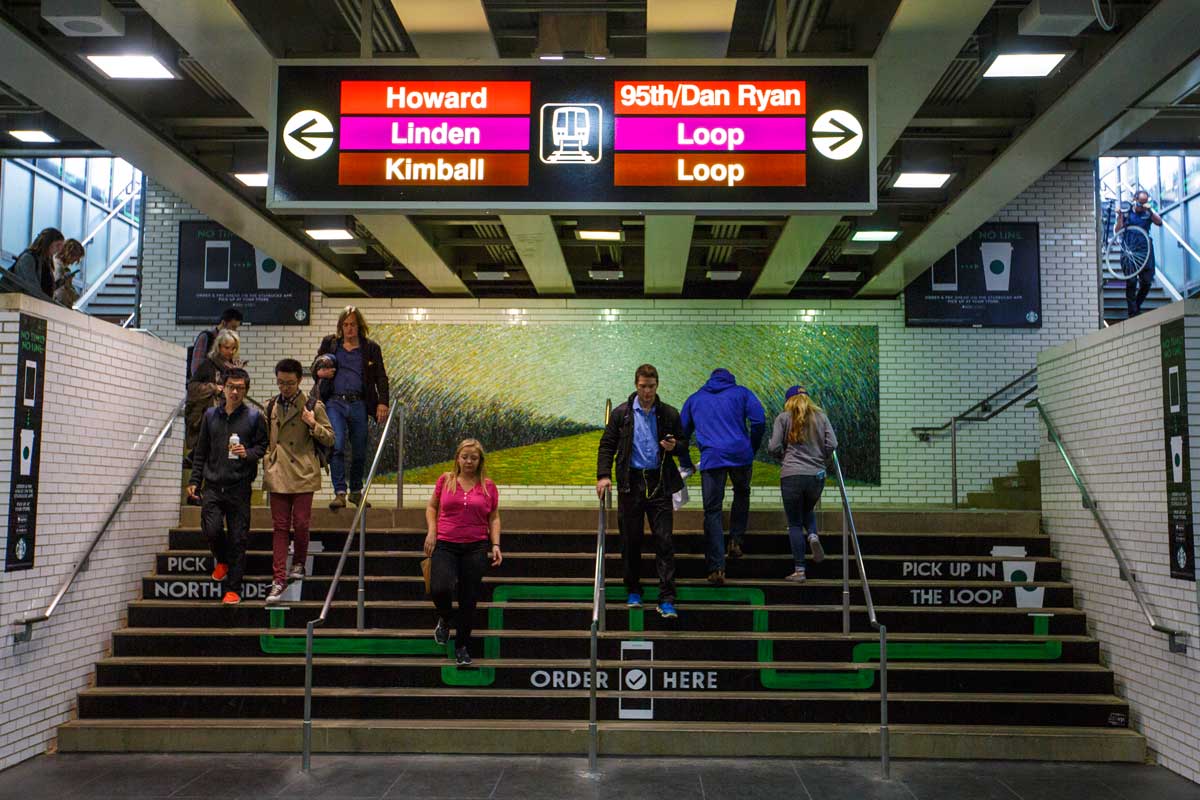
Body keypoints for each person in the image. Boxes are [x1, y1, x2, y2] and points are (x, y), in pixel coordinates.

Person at [596, 364, 687, 618]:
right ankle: (633, 589)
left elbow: (684, 444)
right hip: (630, 483)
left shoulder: (669, 413)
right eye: (643, 386)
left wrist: (674, 447)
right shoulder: (621, 414)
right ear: (636, 385)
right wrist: (603, 476)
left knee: (664, 541)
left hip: (659, 482)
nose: (647, 392)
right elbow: (607, 445)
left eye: (651, 386)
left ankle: (666, 598)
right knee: (630, 540)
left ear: (657, 385)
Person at [186, 367, 268, 605]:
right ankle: (221, 559)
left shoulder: (254, 417)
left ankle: (233, 589)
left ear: (246, 390)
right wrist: (195, 480)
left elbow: (262, 447)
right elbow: (201, 451)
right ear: (222, 388)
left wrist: (247, 453)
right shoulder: (211, 416)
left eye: (240, 388)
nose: (235, 392)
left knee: (238, 538)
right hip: (213, 484)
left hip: (239, 486)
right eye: (231, 387)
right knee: (211, 530)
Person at [681, 368, 765, 585]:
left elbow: (681, 434)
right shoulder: (742, 393)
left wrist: (686, 462)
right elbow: (759, 421)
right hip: (740, 455)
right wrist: (751, 448)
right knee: (742, 493)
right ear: (731, 380)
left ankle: (716, 568)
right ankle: (736, 540)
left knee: (712, 511)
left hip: (712, 458)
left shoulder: (695, 399)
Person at [262, 358, 334, 604]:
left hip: (303, 470)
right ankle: (278, 579)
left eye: (290, 383)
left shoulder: (313, 405)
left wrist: (313, 424)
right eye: (281, 383)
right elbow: (266, 438)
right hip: (278, 471)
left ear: (299, 381)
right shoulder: (270, 405)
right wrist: (268, 459)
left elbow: (330, 438)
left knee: (301, 523)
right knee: (280, 527)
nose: (285, 388)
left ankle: (300, 563)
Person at [424, 439, 502, 666]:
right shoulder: (445, 480)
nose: (469, 461)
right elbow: (432, 507)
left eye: (473, 458)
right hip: (445, 544)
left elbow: (494, 517)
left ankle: (462, 646)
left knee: (469, 599)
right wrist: (432, 531)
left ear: (480, 461)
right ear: (457, 458)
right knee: (440, 588)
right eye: (465, 457)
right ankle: (446, 619)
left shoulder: (488, 486)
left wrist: (495, 544)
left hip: (476, 546)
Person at [315, 306, 390, 509]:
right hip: (334, 401)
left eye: (353, 325)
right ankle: (340, 492)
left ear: (360, 326)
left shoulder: (370, 348)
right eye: (345, 325)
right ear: (341, 327)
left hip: (359, 402)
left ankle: (355, 490)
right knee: (337, 445)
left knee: (359, 449)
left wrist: (383, 402)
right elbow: (316, 367)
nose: (349, 329)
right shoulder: (331, 344)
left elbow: (381, 377)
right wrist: (320, 374)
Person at [768, 386, 838, 582]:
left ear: (788, 400)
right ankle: (813, 535)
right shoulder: (821, 417)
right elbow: (832, 444)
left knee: (794, 523)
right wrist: (820, 458)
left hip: (792, 474)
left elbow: (774, 447)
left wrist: (781, 455)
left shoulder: (783, 418)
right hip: (816, 475)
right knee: (807, 508)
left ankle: (800, 570)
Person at [185, 329, 243, 464]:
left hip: (229, 414)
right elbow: (192, 387)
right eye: (227, 348)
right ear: (219, 347)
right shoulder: (208, 365)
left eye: (234, 348)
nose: (231, 352)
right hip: (210, 415)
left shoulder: (235, 367)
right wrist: (213, 388)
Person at [1115, 190, 1163, 318]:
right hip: (1130, 250)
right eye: (1140, 203)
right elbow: (1117, 230)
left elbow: (1159, 222)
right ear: (1135, 200)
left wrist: (1150, 210)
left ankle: (1136, 305)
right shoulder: (1127, 212)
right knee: (1131, 282)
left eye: (1144, 202)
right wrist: (1120, 216)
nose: (1142, 205)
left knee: (1147, 281)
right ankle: (1133, 313)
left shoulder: (1148, 213)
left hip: (1145, 250)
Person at [2, 227, 63, 301]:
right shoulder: (28, 258)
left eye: (61, 246)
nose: (59, 249)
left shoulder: (45, 262)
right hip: (18, 303)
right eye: (57, 245)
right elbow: (32, 289)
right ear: (47, 243)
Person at [189, 308, 243, 381]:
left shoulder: (231, 341)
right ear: (223, 323)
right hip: (207, 385)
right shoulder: (206, 337)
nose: (234, 331)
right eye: (233, 327)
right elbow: (196, 369)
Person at [52, 239, 85, 307]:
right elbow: (59, 292)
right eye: (76, 257)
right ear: (69, 254)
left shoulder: (63, 267)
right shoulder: (58, 267)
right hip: (58, 306)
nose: (76, 261)